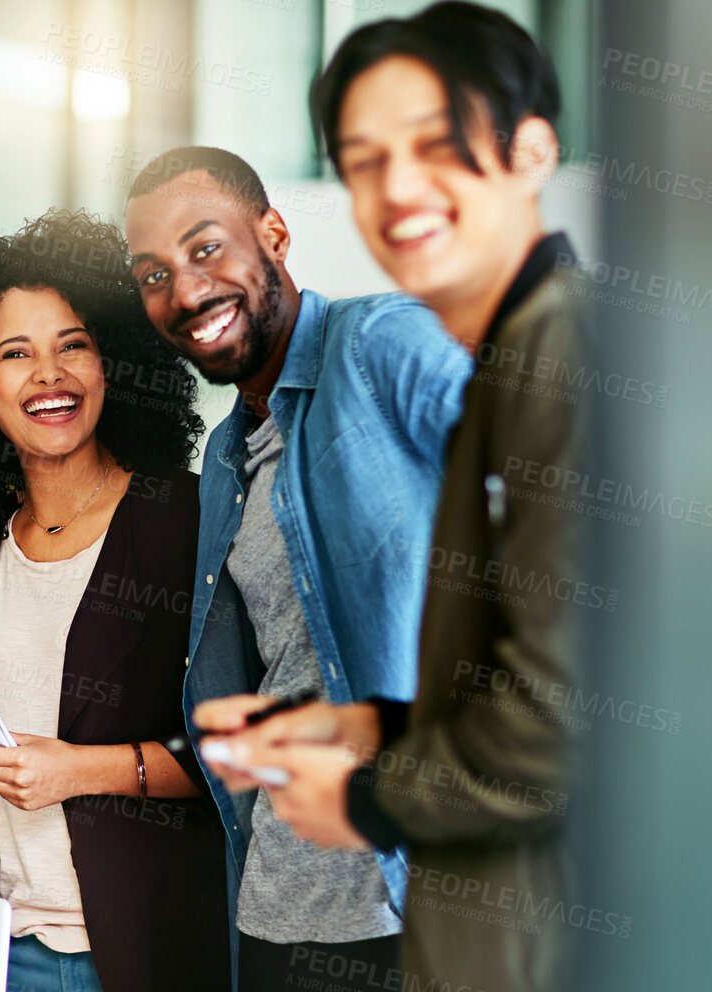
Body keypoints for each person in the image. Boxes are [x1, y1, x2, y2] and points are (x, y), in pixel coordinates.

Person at [200, 6, 588, 990]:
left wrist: (368, 793)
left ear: (531, 149)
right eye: (364, 158)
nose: (398, 186)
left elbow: (568, 720)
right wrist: (365, 727)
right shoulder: (503, 363)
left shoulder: (561, 363)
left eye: (435, 143)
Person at [121, 146, 474, 991]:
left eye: (205, 249)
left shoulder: (381, 343)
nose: (185, 291)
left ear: (271, 233)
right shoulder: (223, 456)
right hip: (276, 901)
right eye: (153, 273)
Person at [0, 209, 227, 992]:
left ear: (112, 362)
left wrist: (81, 769)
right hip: (8, 947)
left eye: (72, 343)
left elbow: (240, 751)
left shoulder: (187, 520)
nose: (48, 374)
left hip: (150, 948)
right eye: (15, 353)